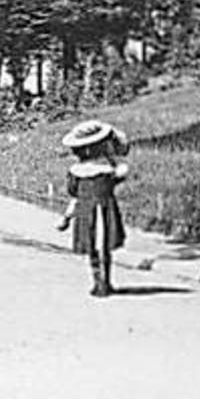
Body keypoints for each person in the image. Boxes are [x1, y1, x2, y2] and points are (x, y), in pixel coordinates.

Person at [55, 119, 130, 297]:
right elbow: (120, 170)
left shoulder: (77, 172)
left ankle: (98, 282)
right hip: (105, 209)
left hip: (86, 211)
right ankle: (105, 281)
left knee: (93, 247)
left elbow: (74, 195)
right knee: (104, 246)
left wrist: (67, 216)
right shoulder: (108, 170)